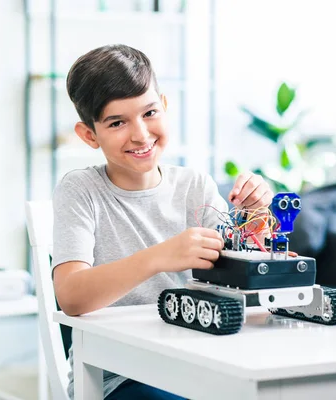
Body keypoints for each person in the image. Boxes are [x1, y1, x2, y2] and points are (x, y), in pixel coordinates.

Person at [51, 44, 273, 399]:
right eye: (117, 122)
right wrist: (159, 257)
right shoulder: (81, 190)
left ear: (165, 106)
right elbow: (71, 296)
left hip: (202, 360)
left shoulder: (194, 186)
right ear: (89, 135)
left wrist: (258, 215)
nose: (140, 134)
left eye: (149, 112)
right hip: (119, 375)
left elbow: (239, 275)